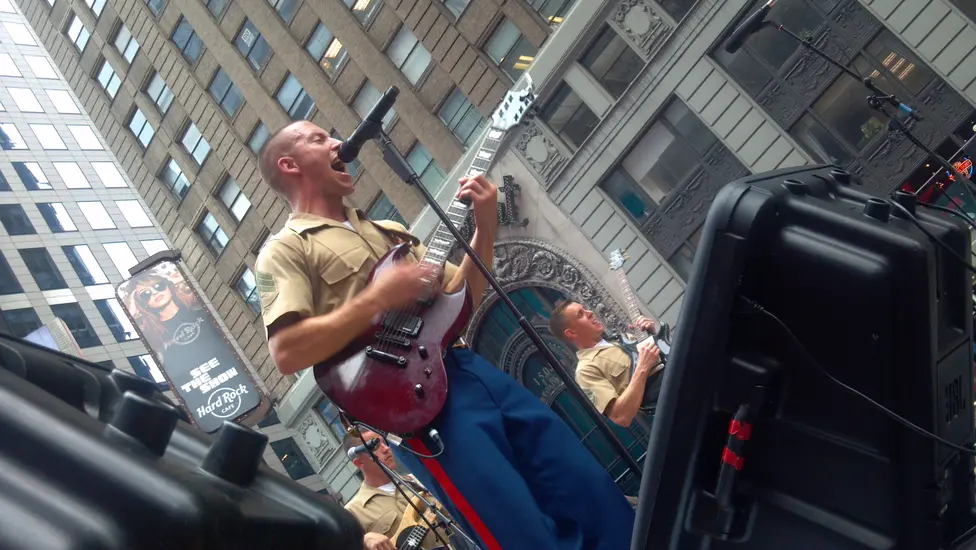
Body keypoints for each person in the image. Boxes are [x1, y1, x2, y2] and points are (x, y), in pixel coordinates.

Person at [254, 121, 635, 550]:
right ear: (289, 164)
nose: (338, 143)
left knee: (585, 486)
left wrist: (485, 228)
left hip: (469, 370)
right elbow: (286, 352)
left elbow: (462, 298)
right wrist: (374, 300)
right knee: (519, 529)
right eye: (319, 139)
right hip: (414, 407)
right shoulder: (284, 249)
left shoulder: (387, 230)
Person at [343, 429, 466, 550]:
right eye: (374, 446)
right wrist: (363, 541)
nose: (386, 449)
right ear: (360, 463)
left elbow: (457, 517)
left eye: (383, 442)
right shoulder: (353, 512)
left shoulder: (418, 480)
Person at [549, 301, 662, 428]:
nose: (590, 312)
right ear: (572, 333)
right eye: (581, 314)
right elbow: (621, 417)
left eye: (585, 309)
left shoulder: (623, 339)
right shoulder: (586, 370)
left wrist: (653, 335)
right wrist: (642, 368)